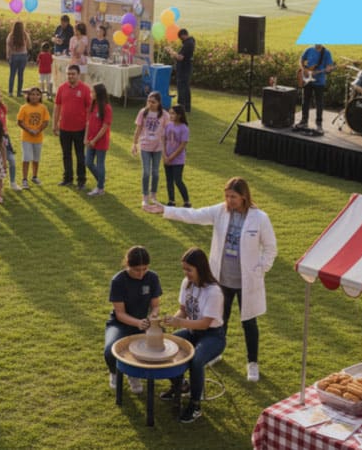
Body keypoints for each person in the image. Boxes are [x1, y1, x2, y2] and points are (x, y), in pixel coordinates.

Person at [145, 177, 277, 382]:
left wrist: (260, 269)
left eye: (233, 196)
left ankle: (252, 362)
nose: (229, 200)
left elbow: (270, 248)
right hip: (222, 279)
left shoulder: (260, 218)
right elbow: (195, 214)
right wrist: (166, 211)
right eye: (226, 196)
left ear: (244, 196)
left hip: (246, 281)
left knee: (249, 323)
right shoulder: (220, 212)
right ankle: (215, 352)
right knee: (218, 319)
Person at [159, 247, 226, 424]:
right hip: (192, 330)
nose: (186, 273)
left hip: (213, 336)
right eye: (184, 269)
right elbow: (183, 310)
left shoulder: (213, 292)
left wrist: (179, 322)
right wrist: (169, 320)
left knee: (196, 360)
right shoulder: (186, 283)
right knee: (166, 344)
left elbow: (204, 323)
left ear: (200, 268)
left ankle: (195, 405)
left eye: (189, 270)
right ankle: (179, 385)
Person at [104, 245, 162, 394]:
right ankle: (115, 373)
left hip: (145, 322)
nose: (141, 274)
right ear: (127, 265)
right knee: (110, 350)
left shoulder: (153, 277)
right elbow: (120, 313)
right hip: (121, 324)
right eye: (137, 270)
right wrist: (137, 323)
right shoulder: (118, 281)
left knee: (160, 345)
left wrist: (152, 317)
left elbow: (155, 306)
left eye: (145, 269)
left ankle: (134, 375)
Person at [53, 64, 92, 188]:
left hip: (80, 129)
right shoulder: (62, 88)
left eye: (73, 74)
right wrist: (55, 124)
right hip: (64, 128)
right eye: (68, 74)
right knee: (66, 154)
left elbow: (89, 109)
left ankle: (81, 180)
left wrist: (88, 126)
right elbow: (57, 107)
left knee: (80, 155)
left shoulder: (85, 89)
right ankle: (68, 178)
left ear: (78, 75)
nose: (70, 76)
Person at [132, 92, 169, 207]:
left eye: (153, 102)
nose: (150, 104)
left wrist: (166, 148)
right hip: (145, 146)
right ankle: (145, 196)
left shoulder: (164, 115)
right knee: (146, 172)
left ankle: (153, 195)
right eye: (149, 101)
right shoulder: (143, 112)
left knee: (155, 172)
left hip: (158, 147)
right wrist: (134, 143)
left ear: (159, 103)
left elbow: (167, 133)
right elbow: (138, 129)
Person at [296, 43, 334, 135]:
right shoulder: (309, 50)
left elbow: (329, 67)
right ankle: (304, 121)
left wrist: (329, 69)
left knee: (319, 102)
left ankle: (319, 123)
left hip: (319, 81)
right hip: (307, 80)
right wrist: (304, 69)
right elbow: (301, 59)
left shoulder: (326, 53)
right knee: (305, 101)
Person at [17, 87, 50, 188]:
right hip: (26, 138)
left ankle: (35, 176)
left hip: (38, 138)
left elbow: (46, 121)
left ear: (40, 96)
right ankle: (24, 179)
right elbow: (19, 122)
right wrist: (29, 130)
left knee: (36, 159)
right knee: (26, 158)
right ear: (28, 96)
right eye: (32, 94)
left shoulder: (43, 108)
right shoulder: (24, 107)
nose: (34, 96)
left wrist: (38, 130)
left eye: (37, 94)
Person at [85, 83, 112, 197]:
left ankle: (100, 188)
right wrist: (86, 137)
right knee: (88, 162)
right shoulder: (92, 104)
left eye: (93, 92)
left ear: (99, 93)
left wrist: (95, 140)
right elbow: (88, 122)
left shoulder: (106, 108)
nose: (91, 94)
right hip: (90, 140)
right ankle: (101, 179)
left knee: (100, 163)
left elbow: (105, 127)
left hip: (100, 141)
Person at [164, 105, 191, 208]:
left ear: (179, 115)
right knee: (169, 180)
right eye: (170, 113)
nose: (170, 115)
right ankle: (171, 200)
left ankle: (187, 201)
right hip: (167, 158)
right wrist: (164, 155)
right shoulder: (168, 125)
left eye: (173, 113)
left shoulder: (184, 128)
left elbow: (182, 145)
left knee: (177, 180)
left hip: (178, 160)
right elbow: (164, 140)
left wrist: (171, 157)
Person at [6, 21, 31, 98]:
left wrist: (8, 56)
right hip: (23, 56)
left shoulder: (11, 35)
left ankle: (10, 92)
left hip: (14, 56)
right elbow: (29, 45)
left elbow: (8, 46)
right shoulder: (25, 34)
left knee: (12, 75)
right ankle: (19, 92)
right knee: (21, 75)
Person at [174, 28, 196, 113]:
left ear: (184, 35)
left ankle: (181, 106)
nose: (180, 40)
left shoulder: (188, 44)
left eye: (180, 37)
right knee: (185, 87)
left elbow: (180, 57)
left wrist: (173, 53)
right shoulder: (191, 42)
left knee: (182, 87)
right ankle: (186, 107)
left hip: (184, 69)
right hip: (186, 68)